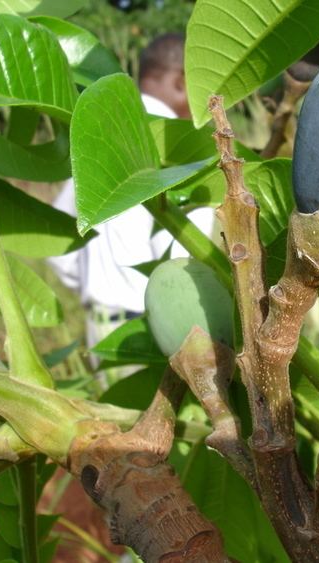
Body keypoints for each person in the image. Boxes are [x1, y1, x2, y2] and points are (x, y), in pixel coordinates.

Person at [49, 33, 213, 353]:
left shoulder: (98, 134)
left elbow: (59, 247)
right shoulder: (183, 155)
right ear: (181, 82)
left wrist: (94, 286)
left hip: (99, 328)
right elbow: (182, 269)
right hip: (157, 332)